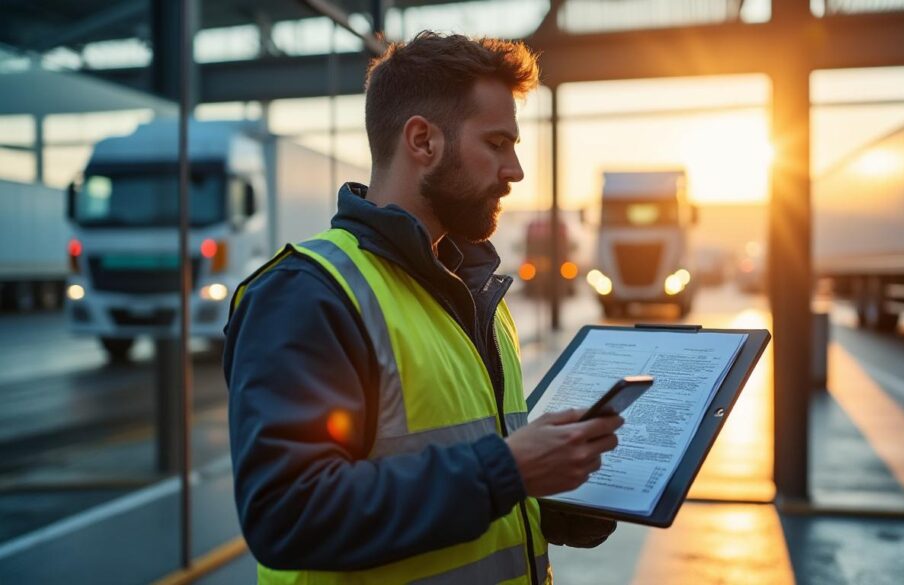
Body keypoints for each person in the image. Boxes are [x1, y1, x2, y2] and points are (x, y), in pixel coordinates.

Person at [223, 31, 624, 585]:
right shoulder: (307, 295)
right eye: (496, 143)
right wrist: (509, 469)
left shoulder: (477, 294)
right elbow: (288, 515)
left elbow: (478, 477)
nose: (514, 171)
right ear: (422, 141)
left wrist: (561, 495)